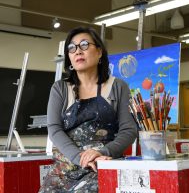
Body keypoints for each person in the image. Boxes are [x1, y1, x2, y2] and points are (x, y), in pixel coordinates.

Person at [39, 26, 137, 193]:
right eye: (72, 48)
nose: (78, 51)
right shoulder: (60, 88)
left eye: (84, 45)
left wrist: (102, 152)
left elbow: (129, 130)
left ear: (99, 52)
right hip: (66, 167)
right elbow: (54, 129)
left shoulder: (118, 86)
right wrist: (80, 158)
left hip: (102, 164)